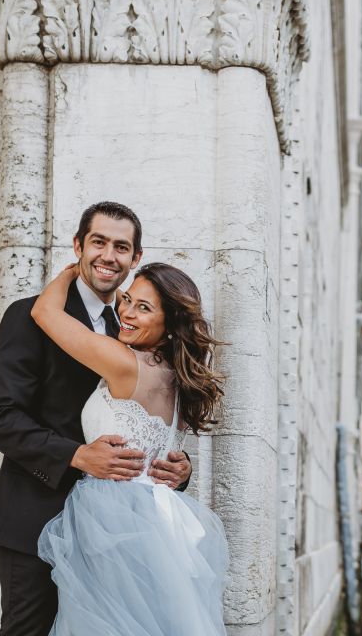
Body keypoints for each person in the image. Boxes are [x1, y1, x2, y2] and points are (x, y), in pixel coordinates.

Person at [0, 202, 193, 635]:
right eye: (98, 242)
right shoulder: (29, 315)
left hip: (116, 537)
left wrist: (178, 469)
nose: (108, 256)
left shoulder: (132, 327)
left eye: (121, 247)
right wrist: (77, 455)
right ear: (78, 246)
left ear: (135, 259)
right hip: (35, 518)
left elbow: (142, 417)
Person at [31, 260, 228, 634]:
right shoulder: (178, 378)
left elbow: (44, 312)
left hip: (110, 517)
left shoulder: (124, 363)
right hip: (155, 522)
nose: (126, 312)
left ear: (170, 325)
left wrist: (73, 270)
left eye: (144, 307)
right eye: (127, 300)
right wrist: (182, 466)